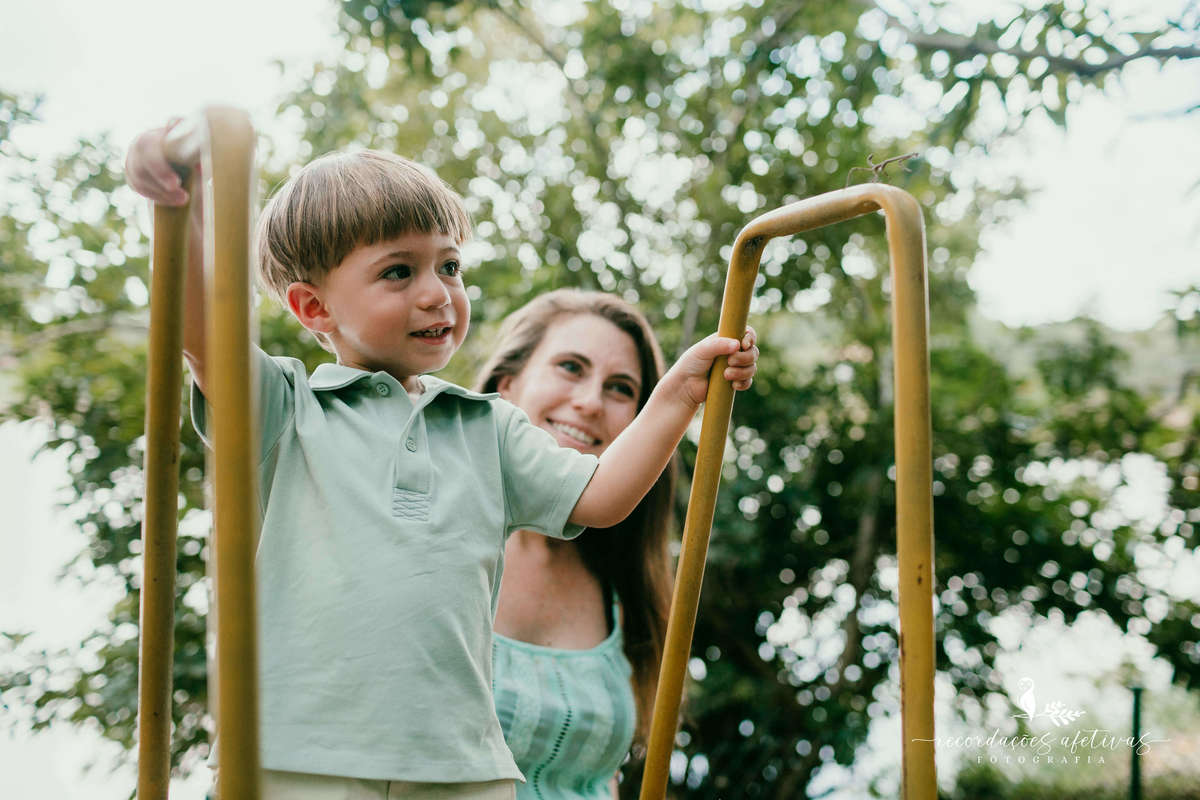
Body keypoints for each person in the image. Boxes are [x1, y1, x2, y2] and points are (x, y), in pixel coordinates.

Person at [125, 123, 758, 800]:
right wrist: (178, 209)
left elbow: (602, 496)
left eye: (449, 266)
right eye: (400, 271)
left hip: (463, 765)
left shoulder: (488, 427)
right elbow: (202, 332)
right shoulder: (288, 410)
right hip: (300, 752)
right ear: (314, 306)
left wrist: (679, 395)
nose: (438, 293)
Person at [476, 290, 674, 800]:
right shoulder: (428, 535)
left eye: (620, 389)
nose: (589, 402)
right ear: (507, 385)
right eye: (570, 367)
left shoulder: (625, 586)